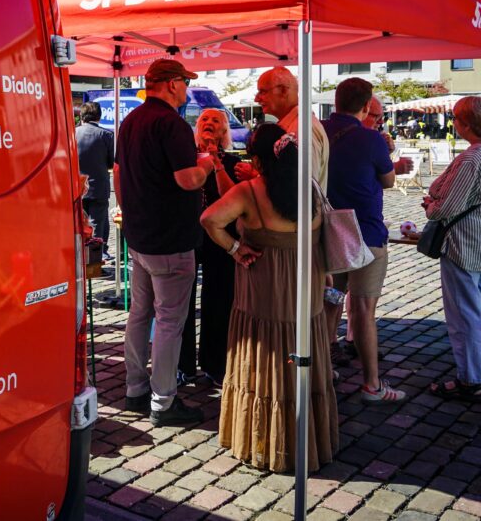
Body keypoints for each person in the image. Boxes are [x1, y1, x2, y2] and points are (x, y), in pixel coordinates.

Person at [201, 125, 338, 472]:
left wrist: (234, 248)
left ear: (258, 160)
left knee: (267, 355)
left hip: (262, 290)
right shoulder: (311, 189)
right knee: (299, 354)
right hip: (307, 289)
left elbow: (209, 219)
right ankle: (305, 437)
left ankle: (264, 439)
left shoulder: (249, 191)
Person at [114, 58, 216, 427]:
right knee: (170, 321)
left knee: (140, 314)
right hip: (170, 239)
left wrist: (130, 211)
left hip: (140, 236)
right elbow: (188, 180)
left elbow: (118, 174)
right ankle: (163, 401)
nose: (187, 90)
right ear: (172, 84)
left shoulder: (131, 120)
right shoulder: (170, 123)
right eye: (185, 83)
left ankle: (135, 389)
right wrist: (206, 164)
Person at [323, 79, 409, 402]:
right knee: (362, 308)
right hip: (367, 233)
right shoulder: (371, 139)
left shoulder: (318, 131)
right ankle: (372, 383)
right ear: (365, 106)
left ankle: (325, 363)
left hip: (330, 230)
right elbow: (388, 181)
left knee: (331, 297)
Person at [422, 96, 481, 403]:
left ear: (466, 124)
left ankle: (470, 378)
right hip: (476, 241)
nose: (454, 124)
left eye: (456, 119)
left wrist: (431, 205)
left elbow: (446, 207)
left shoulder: (471, 159)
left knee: (463, 313)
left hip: (464, 244)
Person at [193, 108, 242, 386]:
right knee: (183, 301)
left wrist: (216, 162)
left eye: (216, 121)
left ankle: (215, 362)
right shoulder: (185, 158)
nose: (209, 124)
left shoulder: (233, 161)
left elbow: (230, 197)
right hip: (188, 235)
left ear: (225, 131)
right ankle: (183, 364)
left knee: (218, 298)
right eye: (204, 120)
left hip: (220, 238)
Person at [254, 67, 329, 190]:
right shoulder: (297, 125)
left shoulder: (303, 129)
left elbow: (304, 189)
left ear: (283, 90)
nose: (257, 99)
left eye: (262, 92)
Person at [76, 101, 114, 261]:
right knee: (98, 223)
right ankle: (96, 258)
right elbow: (111, 162)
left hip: (77, 186)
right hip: (98, 185)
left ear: (81, 116)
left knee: (78, 224)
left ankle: (81, 256)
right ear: (99, 116)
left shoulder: (72, 133)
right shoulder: (106, 135)